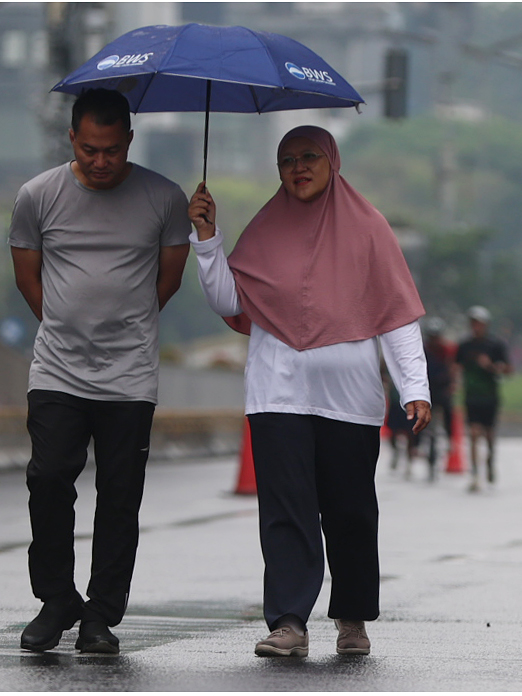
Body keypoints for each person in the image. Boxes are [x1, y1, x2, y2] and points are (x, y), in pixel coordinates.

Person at [187, 125, 431, 657]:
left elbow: (396, 315)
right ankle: (289, 622)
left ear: (332, 161)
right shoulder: (264, 229)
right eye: (287, 159)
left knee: (351, 512)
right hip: (277, 395)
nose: (298, 168)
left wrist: (415, 386)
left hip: (350, 401)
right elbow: (230, 300)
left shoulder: (369, 228)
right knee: (285, 511)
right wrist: (207, 238)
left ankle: (352, 617)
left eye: (310, 156)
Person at [8, 88, 191, 654]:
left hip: (129, 377)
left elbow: (169, 279)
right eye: (89, 149)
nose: (101, 160)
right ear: (72, 138)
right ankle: (56, 599)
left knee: (119, 494)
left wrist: (124, 325)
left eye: (112, 149)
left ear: (129, 140)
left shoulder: (165, 198)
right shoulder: (37, 196)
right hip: (57, 371)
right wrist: (66, 324)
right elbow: (27, 276)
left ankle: (101, 615)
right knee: (48, 480)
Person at [455, 306, 512, 493]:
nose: (475, 326)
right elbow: (456, 367)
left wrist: (491, 367)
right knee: (473, 433)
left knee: (489, 434)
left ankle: (490, 460)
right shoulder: (465, 345)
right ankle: (474, 472)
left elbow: (508, 370)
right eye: (473, 323)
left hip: (490, 396)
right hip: (471, 396)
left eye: (478, 323)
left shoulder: (495, 345)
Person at [419, 317, 457, 479]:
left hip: (442, 387)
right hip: (426, 387)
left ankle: (450, 438)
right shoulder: (422, 349)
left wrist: (452, 384)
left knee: (448, 410)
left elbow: (453, 367)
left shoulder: (447, 350)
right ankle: (417, 444)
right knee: (418, 416)